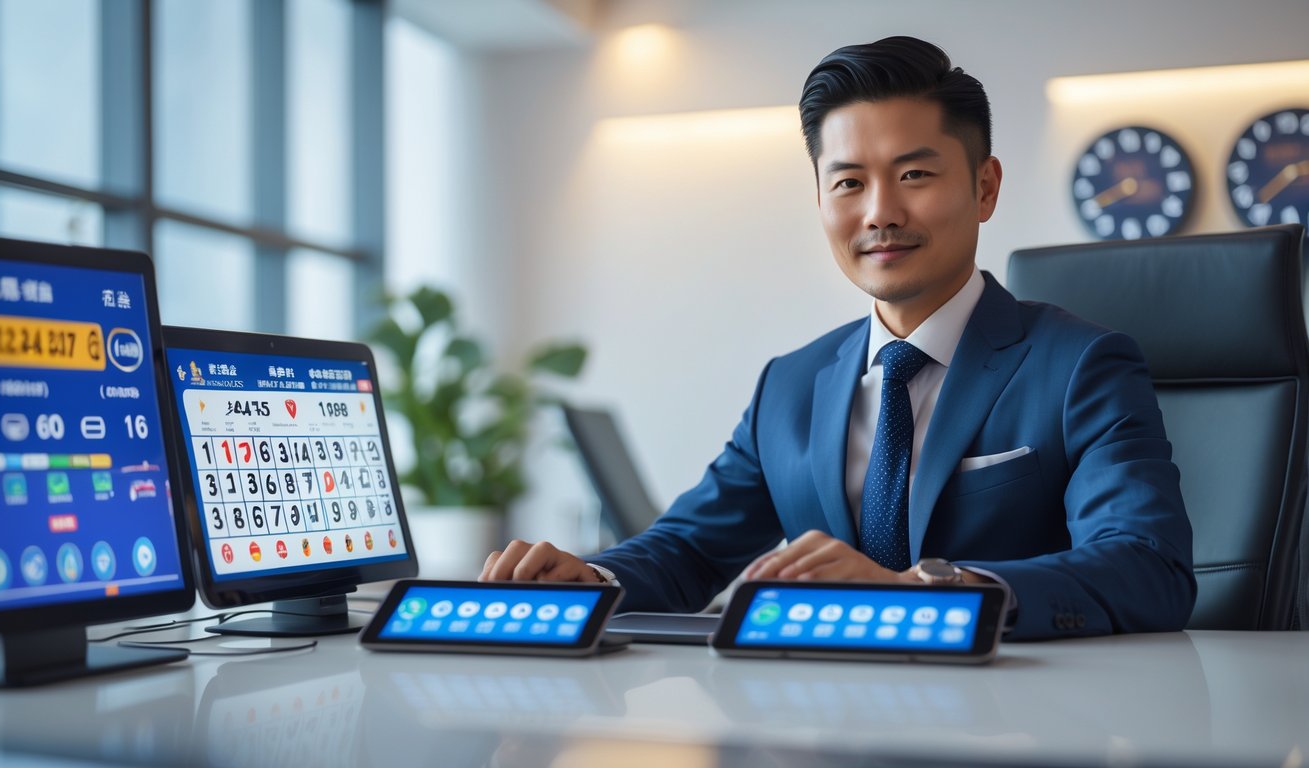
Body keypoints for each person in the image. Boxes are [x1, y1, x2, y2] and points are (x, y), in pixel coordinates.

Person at [479, 36, 1195, 639]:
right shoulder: (790, 385)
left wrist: (927, 590)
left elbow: (1145, 566)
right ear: (820, 198)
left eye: (913, 174)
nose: (879, 212)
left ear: (984, 187)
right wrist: (589, 578)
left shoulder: (1080, 366)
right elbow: (689, 551)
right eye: (848, 182)